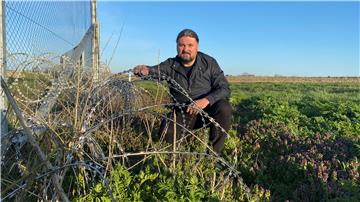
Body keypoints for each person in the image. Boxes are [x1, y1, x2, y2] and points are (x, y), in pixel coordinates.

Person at [133, 29, 231, 155]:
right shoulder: (170, 64)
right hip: (183, 114)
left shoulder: (209, 63)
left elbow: (224, 88)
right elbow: (154, 71)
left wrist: (205, 100)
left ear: (197, 46)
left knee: (224, 107)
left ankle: (213, 155)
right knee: (166, 131)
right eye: (181, 45)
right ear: (177, 46)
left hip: (207, 112)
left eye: (190, 45)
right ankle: (179, 156)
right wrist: (144, 70)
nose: (185, 49)